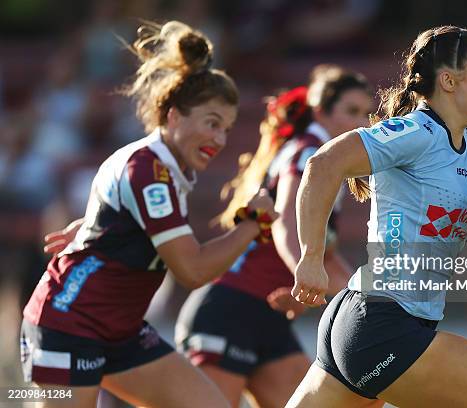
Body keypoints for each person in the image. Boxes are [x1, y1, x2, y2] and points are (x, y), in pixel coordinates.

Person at [287, 25, 467, 407]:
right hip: (384, 322)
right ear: (448, 80)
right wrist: (311, 256)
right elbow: (323, 164)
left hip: (372, 323)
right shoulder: (416, 132)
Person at [20, 20, 278, 408]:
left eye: (225, 128)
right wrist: (251, 224)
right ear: (173, 116)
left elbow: (112, 212)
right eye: (211, 123)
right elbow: (192, 270)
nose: (220, 140)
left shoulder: (168, 166)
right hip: (68, 323)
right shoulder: (150, 170)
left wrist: (92, 228)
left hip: (119, 330)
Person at [174, 65, 374, 407]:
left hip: (267, 315)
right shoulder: (311, 153)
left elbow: (324, 258)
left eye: (367, 113)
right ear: (321, 111)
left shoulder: (324, 161)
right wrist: (306, 276)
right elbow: (283, 223)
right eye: (352, 111)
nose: (362, 123)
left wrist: (371, 299)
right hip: (229, 311)